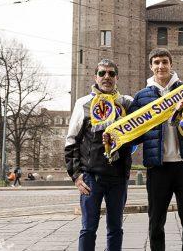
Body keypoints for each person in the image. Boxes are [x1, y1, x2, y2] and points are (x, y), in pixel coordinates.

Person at [127, 48, 183, 251]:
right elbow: (131, 130)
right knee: (156, 221)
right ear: (151, 66)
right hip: (158, 167)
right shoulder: (141, 97)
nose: (161, 66)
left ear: (171, 64)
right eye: (157, 62)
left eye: (164, 62)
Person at [65, 59, 133, 251]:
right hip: (91, 178)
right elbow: (71, 141)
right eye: (102, 73)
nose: (107, 77)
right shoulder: (84, 103)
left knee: (115, 229)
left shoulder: (127, 103)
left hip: (118, 177)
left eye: (111, 73)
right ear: (95, 77)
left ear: (117, 78)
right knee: (88, 229)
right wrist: (76, 176)